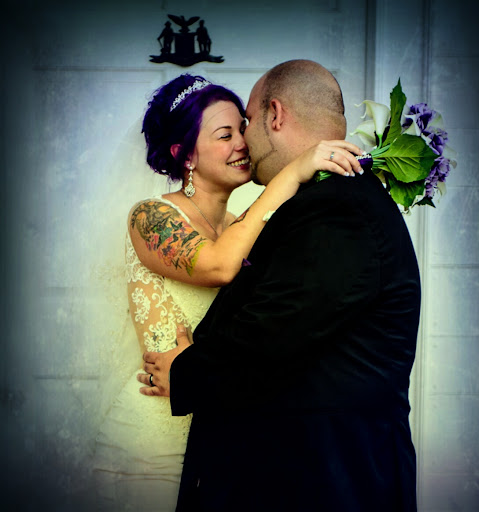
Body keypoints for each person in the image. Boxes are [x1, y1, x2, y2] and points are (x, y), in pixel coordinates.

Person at [142, 60, 421, 511]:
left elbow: (270, 332)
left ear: (275, 115)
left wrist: (184, 372)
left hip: (328, 485)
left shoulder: (339, 209)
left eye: (247, 122)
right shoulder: (324, 201)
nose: (243, 140)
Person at [93, 73, 363, 511]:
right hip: (149, 445)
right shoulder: (150, 217)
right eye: (225, 135)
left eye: (243, 128)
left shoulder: (243, 224)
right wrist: (293, 172)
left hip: (219, 443)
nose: (243, 143)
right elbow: (217, 265)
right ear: (185, 155)